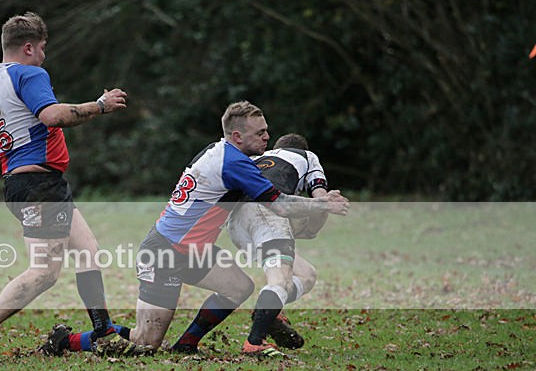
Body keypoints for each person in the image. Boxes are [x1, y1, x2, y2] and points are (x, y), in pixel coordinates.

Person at [45, 101, 349, 357]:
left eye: (267, 130)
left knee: (239, 287)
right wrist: (323, 205)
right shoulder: (235, 164)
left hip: (194, 251)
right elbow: (280, 205)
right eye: (261, 132)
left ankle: (187, 345)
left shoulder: (219, 151)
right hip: (164, 252)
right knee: (144, 342)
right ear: (237, 136)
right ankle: (66, 341)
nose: (269, 136)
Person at [0, 12, 130, 359]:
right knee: (45, 272)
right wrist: (100, 105)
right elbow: (52, 116)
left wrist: (7, 165)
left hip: (37, 184)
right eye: (44, 49)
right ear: (30, 47)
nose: (45, 56)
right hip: (38, 187)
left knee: (88, 250)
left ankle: (102, 327)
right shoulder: (30, 73)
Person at [226, 132, 341, 356]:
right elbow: (320, 200)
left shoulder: (255, 158)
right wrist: (318, 217)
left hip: (236, 225)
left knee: (306, 275)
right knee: (279, 280)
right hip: (267, 213)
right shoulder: (307, 156)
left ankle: (271, 311)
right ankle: (254, 342)